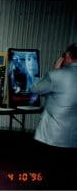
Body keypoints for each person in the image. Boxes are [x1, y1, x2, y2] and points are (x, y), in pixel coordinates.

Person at [30, 43, 77, 189]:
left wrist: (55, 69)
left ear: (67, 56)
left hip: (52, 135)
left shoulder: (56, 75)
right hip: (74, 135)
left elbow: (34, 89)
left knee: (48, 172)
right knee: (67, 172)